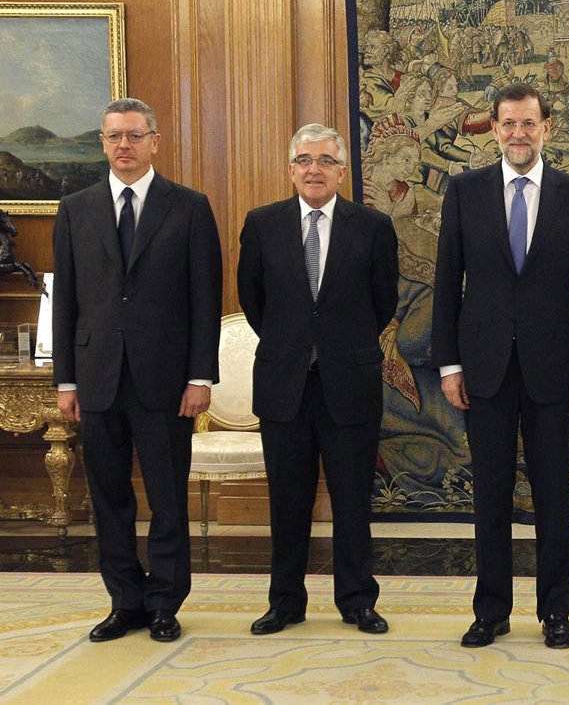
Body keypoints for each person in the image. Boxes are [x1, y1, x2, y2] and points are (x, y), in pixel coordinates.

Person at [432, 83, 569, 649]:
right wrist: (448, 363)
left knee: (554, 495)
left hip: (553, 369)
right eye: (508, 123)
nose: (518, 133)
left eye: (529, 123)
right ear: (494, 128)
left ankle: (556, 612)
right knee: (490, 494)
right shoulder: (465, 191)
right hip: (483, 367)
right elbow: (446, 282)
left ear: (546, 128)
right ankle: (491, 611)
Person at [53, 97, 222, 643]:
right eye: (113, 136)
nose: (123, 145)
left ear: (154, 141)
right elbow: (66, 301)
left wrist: (201, 377)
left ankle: (165, 602)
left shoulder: (189, 207)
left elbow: (205, 299)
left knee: (167, 498)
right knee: (109, 499)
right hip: (97, 378)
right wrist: (66, 379)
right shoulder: (75, 209)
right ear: (102, 143)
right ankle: (124, 601)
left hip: (167, 382)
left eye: (133, 135)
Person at [237, 124, 399, 636]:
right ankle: (285, 602)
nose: (314, 169)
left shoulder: (372, 226)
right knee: (288, 503)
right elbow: (253, 299)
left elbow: (383, 302)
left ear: (342, 171)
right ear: (291, 170)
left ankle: (357, 600)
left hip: (349, 382)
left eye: (326, 161)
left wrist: (335, 344)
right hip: (284, 385)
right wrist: (294, 343)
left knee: (352, 501)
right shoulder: (262, 224)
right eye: (304, 160)